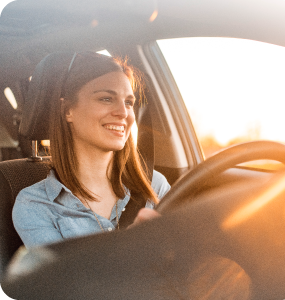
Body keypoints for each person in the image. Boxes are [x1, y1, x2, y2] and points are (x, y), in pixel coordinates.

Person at [12, 51, 170, 248]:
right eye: (106, 98)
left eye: (129, 102)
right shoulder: (35, 205)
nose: (123, 113)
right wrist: (130, 247)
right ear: (68, 110)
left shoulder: (154, 186)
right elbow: (66, 278)